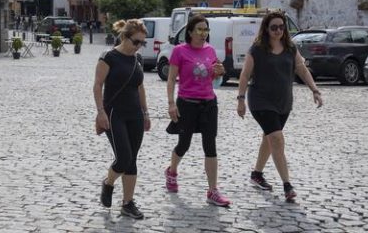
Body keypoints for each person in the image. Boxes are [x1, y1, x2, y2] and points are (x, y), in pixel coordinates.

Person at [236, 11, 323, 203]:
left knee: (269, 139)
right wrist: (241, 99)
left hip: (283, 102)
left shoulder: (291, 48)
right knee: (276, 138)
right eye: (274, 27)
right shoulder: (257, 49)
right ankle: (287, 185)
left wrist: (315, 90)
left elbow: (301, 68)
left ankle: (257, 174)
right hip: (260, 101)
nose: (278, 31)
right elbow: (244, 75)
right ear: (266, 29)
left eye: (281, 27)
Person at [165, 14, 231, 206]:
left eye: (206, 30)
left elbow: (213, 78)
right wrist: (171, 103)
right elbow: (171, 79)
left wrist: (219, 73)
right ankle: (172, 171)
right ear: (191, 32)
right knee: (183, 144)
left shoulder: (210, 51)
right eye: (200, 30)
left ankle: (212, 190)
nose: (203, 33)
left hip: (209, 104)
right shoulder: (179, 51)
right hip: (187, 103)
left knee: (210, 146)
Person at [93, 19, 151, 220]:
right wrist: (100, 112)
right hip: (114, 114)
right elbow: (97, 85)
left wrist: (145, 113)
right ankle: (108, 183)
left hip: (134, 114)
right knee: (124, 157)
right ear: (125, 37)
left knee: (132, 160)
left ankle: (128, 203)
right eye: (136, 42)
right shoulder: (109, 57)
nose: (139, 47)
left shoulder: (138, 59)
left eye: (142, 43)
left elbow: (140, 87)